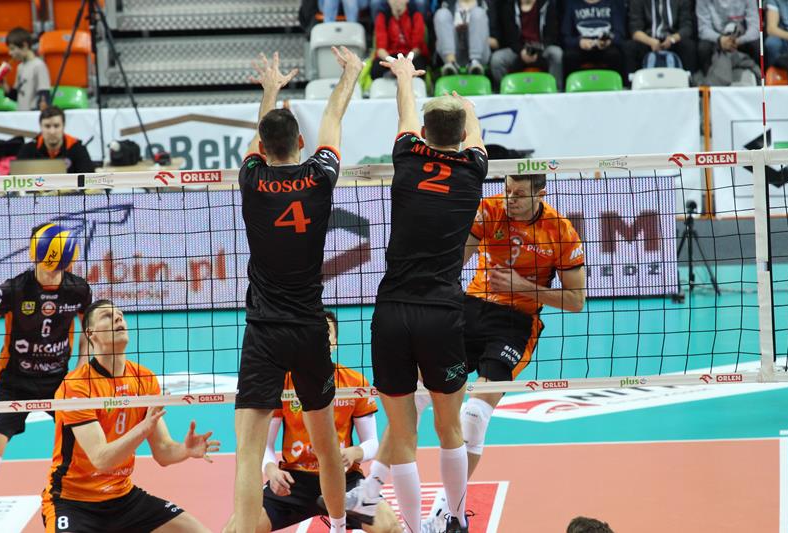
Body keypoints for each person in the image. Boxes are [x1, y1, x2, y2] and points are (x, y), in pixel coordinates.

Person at [342, 53, 487, 533]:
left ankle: (411, 526)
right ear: (462, 136)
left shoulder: (407, 157)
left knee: (402, 434)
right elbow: (474, 136)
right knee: (449, 429)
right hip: (441, 313)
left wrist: (404, 76)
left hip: (392, 313)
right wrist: (468, 107)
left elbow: (405, 114)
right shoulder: (473, 169)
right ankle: (455, 520)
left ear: (424, 135)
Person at [231, 47, 362, 533]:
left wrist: (270, 91)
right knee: (328, 449)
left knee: (248, 455)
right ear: (300, 143)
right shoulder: (318, 176)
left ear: (262, 149)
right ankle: (340, 526)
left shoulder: (251, 179)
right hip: (309, 329)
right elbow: (333, 120)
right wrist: (350, 74)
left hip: (264, 331)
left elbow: (261, 134)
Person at [422, 174, 586, 532]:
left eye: (519, 194)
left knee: (474, 414)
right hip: (470, 308)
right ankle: (371, 483)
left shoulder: (560, 231)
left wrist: (522, 286)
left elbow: (576, 300)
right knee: (416, 390)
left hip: (515, 322)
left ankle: (447, 512)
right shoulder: (490, 209)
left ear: (541, 192)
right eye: (507, 190)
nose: (510, 198)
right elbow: (454, 262)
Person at [40, 300, 219, 532]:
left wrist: (185, 450)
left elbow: (163, 452)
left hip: (123, 498)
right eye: (107, 316)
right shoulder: (76, 386)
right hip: (73, 502)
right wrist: (144, 428)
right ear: (91, 333)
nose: (118, 318)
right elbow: (102, 459)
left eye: (120, 315)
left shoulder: (144, 378)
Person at [224, 312, 400, 533]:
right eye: (318, 332)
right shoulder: (284, 383)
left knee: (390, 527)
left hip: (345, 480)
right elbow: (265, 444)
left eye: (328, 333)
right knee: (235, 529)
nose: (322, 337)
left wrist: (355, 452)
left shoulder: (354, 382)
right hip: (294, 483)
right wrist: (271, 469)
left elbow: (372, 442)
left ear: (335, 342)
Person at [0, 222, 91, 480]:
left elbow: (90, 328)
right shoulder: (14, 289)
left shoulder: (78, 289)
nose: (52, 272)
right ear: (34, 255)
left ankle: (82, 492)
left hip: (59, 381)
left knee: (85, 438)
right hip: (13, 380)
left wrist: (82, 365)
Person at [487, 0, 564, 89]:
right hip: (518, 50)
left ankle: (556, 90)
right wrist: (521, 51)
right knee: (497, 60)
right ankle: (507, 91)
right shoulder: (509, 6)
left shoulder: (547, 5)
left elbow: (551, 35)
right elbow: (510, 37)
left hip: (542, 49)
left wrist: (537, 51)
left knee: (556, 53)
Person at [623, 0, 698, 74]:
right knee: (630, 47)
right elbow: (635, 30)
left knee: (688, 46)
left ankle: (689, 79)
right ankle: (631, 80)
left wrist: (673, 39)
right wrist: (650, 41)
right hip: (647, 40)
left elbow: (687, 27)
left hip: (673, 40)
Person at [17, 106, 96, 174]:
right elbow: (16, 180)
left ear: (63, 126)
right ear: (41, 127)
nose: (52, 132)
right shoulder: (28, 149)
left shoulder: (77, 148)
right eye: (47, 126)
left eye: (56, 126)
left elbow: (89, 181)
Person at [561, 0, 626, 82]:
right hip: (581, 47)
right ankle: (571, 86)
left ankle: (617, 85)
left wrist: (608, 41)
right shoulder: (572, 4)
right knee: (569, 56)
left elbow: (619, 34)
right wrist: (579, 42)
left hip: (605, 46)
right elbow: (565, 37)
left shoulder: (612, 4)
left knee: (615, 55)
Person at [696, 0, 760, 74]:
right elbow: (703, 29)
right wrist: (720, 39)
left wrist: (739, 40)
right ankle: (708, 77)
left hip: (740, 38)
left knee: (757, 46)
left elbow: (755, 28)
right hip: (716, 37)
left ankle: (758, 76)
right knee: (703, 48)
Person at [372, 0, 430, 80]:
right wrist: (394, 62)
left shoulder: (416, 15)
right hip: (389, 55)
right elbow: (381, 49)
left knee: (420, 68)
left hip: (410, 55)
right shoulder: (382, 17)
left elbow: (417, 48)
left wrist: (405, 63)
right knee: (376, 70)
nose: (397, 1)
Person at [435, 0, 492, 75]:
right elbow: (438, 41)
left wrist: (474, 32)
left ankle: (474, 62)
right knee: (442, 13)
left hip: (480, 53)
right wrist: (454, 32)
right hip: (454, 52)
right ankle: (451, 63)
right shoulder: (447, 4)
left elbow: (497, 42)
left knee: (478, 12)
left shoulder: (486, 4)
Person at [2, 27, 50, 111]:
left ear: (25, 45)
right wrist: (3, 83)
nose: (10, 53)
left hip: (32, 114)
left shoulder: (38, 65)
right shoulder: (20, 67)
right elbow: (17, 96)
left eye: (12, 48)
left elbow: (44, 95)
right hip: (22, 113)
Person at [765, 0, 788, 67]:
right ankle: (776, 70)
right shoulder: (774, 1)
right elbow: (771, 29)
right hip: (785, 36)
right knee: (771, 43)